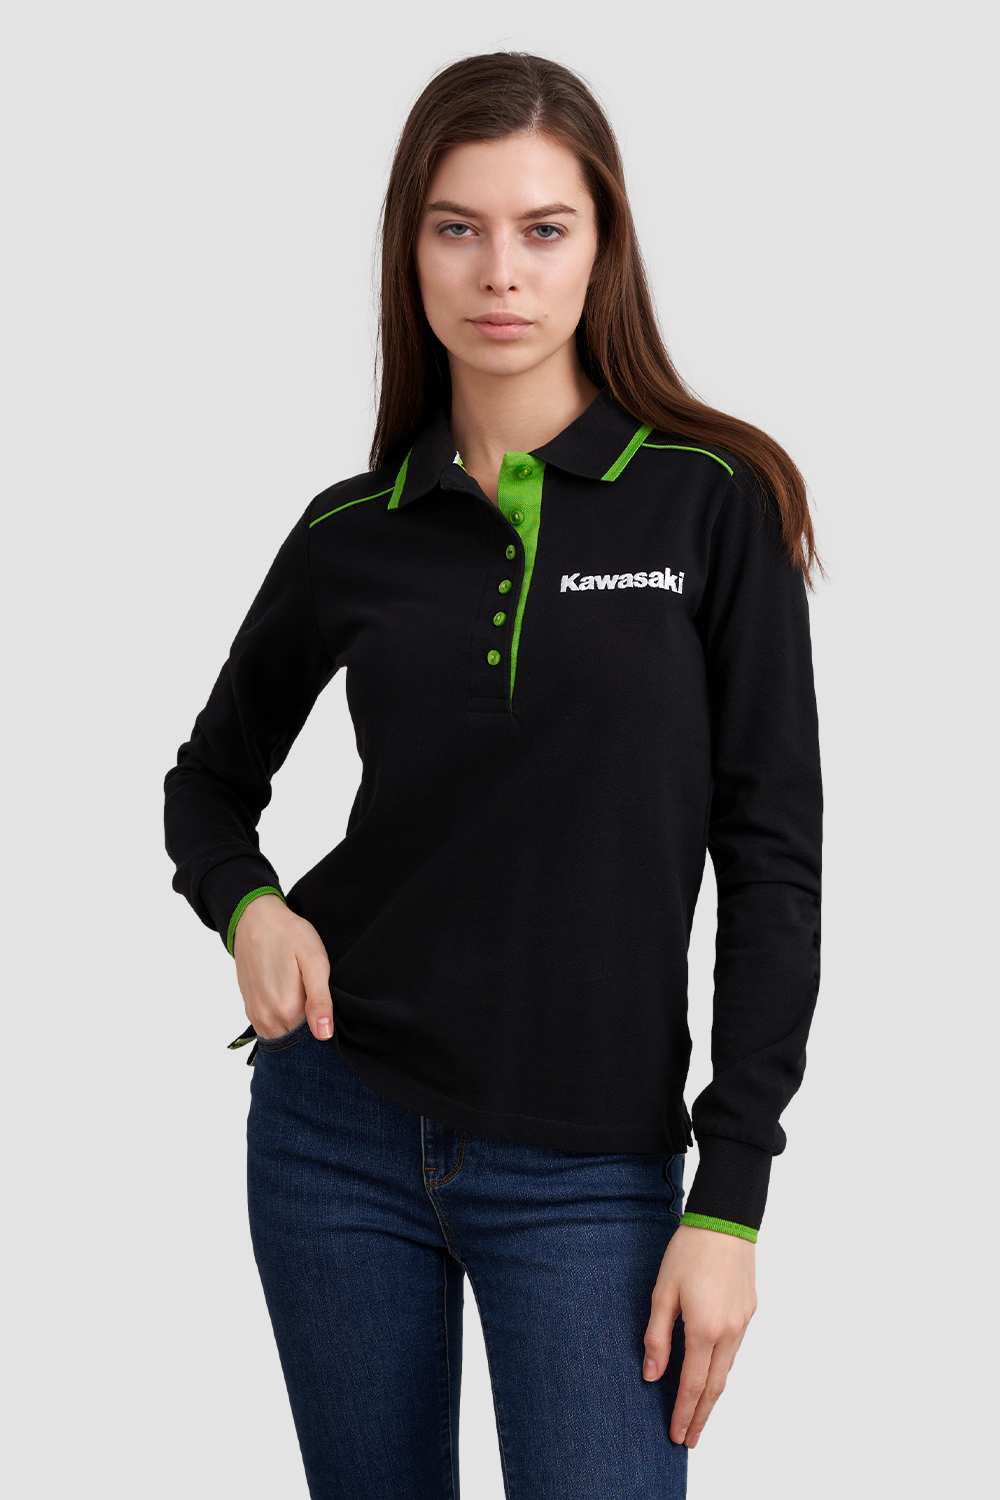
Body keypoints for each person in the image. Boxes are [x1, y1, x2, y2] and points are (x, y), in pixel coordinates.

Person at [164, 51, 822, 1500]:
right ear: (410, 250)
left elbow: (772, 861)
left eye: (544, 228)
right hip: (335, 1130)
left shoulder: (712, 503)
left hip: (593, 1174)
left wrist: (732, 1199)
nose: (500, 272)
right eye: (457, 227)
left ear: (602, 246)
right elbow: (207, 783)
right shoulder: (353, 529)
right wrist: (249, 908)